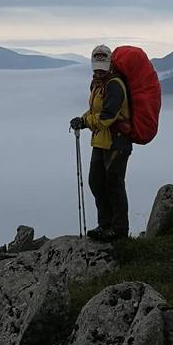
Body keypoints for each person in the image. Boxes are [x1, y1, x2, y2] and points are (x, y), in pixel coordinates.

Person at [70, 45, 131, 241]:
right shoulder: (98, 84)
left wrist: (85, 122)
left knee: (113, 184)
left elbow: (107, 116)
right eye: (96, 67)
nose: (98, 70)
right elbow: (96, 110)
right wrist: (82, 118)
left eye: (102, 67)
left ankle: (118, 229)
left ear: (109, 64)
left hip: (116, 142)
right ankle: (105, 225)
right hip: (101, 141)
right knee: (96, 183)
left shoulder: (114, 84)